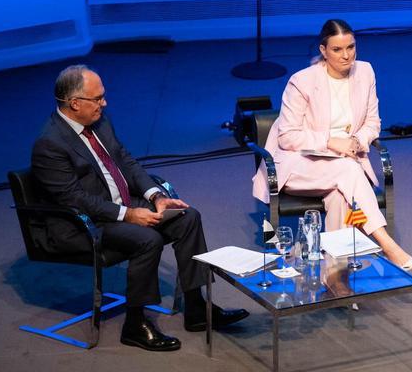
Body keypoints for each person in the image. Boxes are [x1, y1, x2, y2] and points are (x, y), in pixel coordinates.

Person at [31, 65, 249, 352]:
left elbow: (125, 160)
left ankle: (197, 307)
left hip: (120, 205)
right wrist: (129, 215)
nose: (104, 103)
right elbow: (74, 199)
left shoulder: (99, 122)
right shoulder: (50, 144)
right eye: (97, 98)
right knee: (148, 239)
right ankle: (135, 325)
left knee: (188, 218)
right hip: (83, 223)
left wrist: (155, 195)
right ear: (74, 103)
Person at [252, 19, 412, 270]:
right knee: (349, 170)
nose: (346, 55)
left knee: (341, 198)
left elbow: (373, 122)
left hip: (342, 166)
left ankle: (334, 275)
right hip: (299, 164)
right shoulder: (302, 81)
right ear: (323, 50)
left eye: (351, 47)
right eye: (337, 49)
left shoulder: (365, 72)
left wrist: (357, 141)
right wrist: (331, 142)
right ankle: (388, 245)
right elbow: (287, 136)